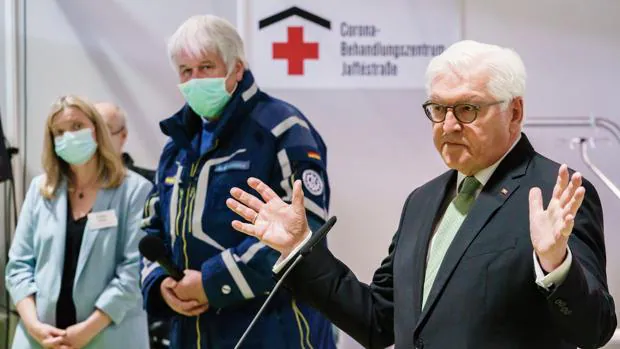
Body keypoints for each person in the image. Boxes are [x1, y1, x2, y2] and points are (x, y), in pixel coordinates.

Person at [226, 40, 617, 349]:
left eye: (467, 109)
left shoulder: (554, 193)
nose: (448, 125)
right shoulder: (422, 201)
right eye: (438, 108)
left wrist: (555, 264)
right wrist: (299, 248)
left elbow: (595, 330)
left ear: (513, 112)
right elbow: (377, 321)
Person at [139, 14, 337, 349]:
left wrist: (212, 283)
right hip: (192, 332)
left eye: (206, 67)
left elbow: (305, 227)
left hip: (274, 328)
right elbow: (149, 228)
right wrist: (161, 284)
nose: (195, 80)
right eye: (186, 72)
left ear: (237, 70)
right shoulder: (177, 146)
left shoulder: (282, 128)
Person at [5, 95, 152, 349]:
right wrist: (35, 327)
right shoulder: (40, 190)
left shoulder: (134, 191)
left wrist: (87, 329)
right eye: (59, 132)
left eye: (76, 127)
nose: (68, 137)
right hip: (40, 337)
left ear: (96, 130)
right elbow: (18, 266)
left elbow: (133, 270)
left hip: (109, 335)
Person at [95, 101, 156, 183]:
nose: (94, 137)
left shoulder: (149, 183)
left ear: (123, 136)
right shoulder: (74, 183)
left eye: (104, 131)